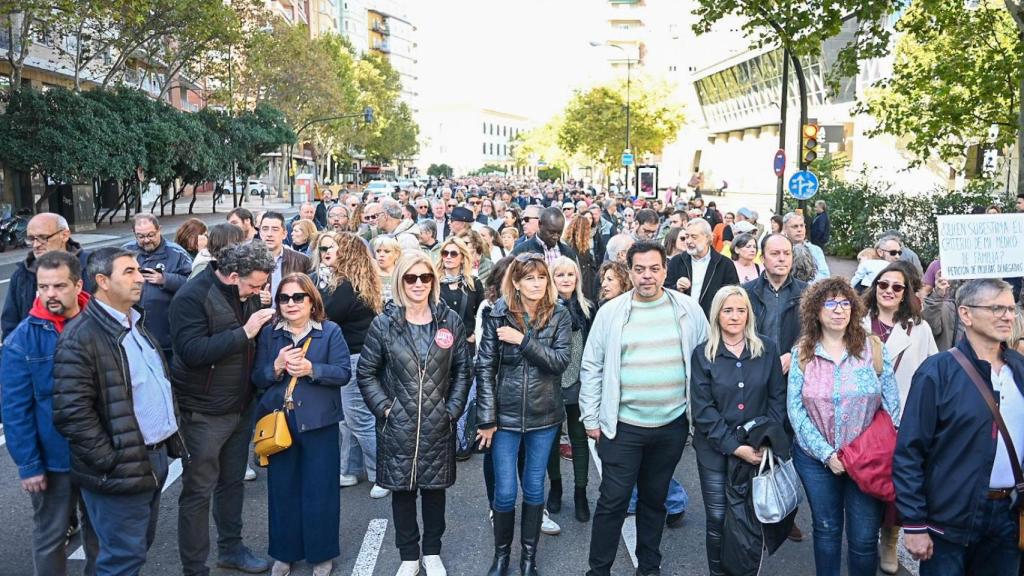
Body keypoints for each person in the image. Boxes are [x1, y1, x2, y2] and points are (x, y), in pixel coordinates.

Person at [53, 247, 187, 576]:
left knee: (131, 552)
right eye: (128, 272)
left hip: (151, 460)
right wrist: (110, 460)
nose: (139, 277)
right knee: (122, 559)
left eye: (138, 271)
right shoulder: (82, 336)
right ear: (102, 281)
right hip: (120, 467)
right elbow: (71, 412)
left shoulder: (134, 322)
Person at [579, 241, 709, 576]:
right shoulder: (612, 312)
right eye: (640, 269)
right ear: (630, 272)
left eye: (654, 269)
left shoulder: (687, 309)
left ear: (665, 270)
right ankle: (599, 569)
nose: (647, 276)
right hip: (623, 426)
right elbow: (591, 365)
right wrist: (591, 417)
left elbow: (705, 359)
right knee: (613, 500)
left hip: (671, 426)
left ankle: (649, 566)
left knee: (654, 500)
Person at [895, 279, 1024, 575]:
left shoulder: (1019, 369)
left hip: (1008, 517)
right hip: (949, 520)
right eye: (996, 308)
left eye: (1010, 308)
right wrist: (914, 524)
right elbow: (909, 452)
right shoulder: (937, 371)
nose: (1008, 315)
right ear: (965, 314)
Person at [358, 252, 472, 576]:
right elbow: (366, 372)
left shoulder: (450, 321)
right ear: (400, 282)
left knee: (435, 494)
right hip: (398, 426)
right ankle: (409, 555)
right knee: (403, 493)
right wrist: (385, 409)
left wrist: (452, 412)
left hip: (438, 425)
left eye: (425, 277)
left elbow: (464, 370)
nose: (418, 284)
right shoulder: (384, 324)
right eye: (411, 277)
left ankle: (432, 552)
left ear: (433, 281)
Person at [168, 242, 277, 576]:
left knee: (232, 484)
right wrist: (246, 331)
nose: (259, 292)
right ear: (232, 276)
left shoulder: (243, 293)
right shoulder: (191, 297)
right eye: (255, 285)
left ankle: (232, 550)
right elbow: (191, 352)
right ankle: (195, 567)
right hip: (202, 412)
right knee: (198, 492)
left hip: (240, 405)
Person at [788, 278, 900, 576]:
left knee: (864, 539)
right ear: (816, 310)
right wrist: (827, 455)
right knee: (826, 529)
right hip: (816, 460)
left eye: (845, 303)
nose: (839, 310)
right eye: (830, 303)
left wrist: (880, 451)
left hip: (866, 461)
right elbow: (796, 412)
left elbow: (891, 407)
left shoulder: (872, 349)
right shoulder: (803, 352)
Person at [475, 254, 572, 576]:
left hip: (544, 416)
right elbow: (485, 368)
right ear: (515, 282)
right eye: (529, 278)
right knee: (504, 492)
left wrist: (523, 341)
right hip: (505, 418)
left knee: (533, 487)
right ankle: (501, 557)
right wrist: (486, 419)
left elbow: (559, 362)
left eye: (541, 277)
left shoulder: (560, 315)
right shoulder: (496, 314)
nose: (536, 284)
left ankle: (528, 560)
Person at [2, 251, 97, 575]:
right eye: (43, 287)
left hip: (99, 455)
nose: (50, 294)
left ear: (78, 284)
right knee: (50, 536)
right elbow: (15, 411)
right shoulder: (22, 341)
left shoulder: (100, 322)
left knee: (100, 536)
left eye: (58, 286)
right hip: (53, 461)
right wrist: (29, 465)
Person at [252, 274, 350, 576]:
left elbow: (343, 372)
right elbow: (257, 377)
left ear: (311, 301)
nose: (291, 303)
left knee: (320, 491)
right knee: (282, 490)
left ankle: (321, 554)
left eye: (298, 297)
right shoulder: (270, 334)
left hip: (320, 423)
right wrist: (276, 367)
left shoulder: (330, 331)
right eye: (284, 298)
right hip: (281, 422)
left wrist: (312, 369)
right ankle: (285, 553)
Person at [690, 285, 787, 576]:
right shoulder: (703, 354)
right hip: (716, 451)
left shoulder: (767, 349)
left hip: (757, 450)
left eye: (740, 310)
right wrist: (735, 447)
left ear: (749, 314)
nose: (734, 316)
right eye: (727, 310)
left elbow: (776, 398)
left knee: (748, 519)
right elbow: (703, 410)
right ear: (716, 314)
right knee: (718, 518)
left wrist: (765, 439)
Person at [860, 261, 938, 574]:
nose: (889, 291)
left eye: (897, 287)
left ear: (906, 292)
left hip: (903, 416)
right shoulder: (857, 321)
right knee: (866, 476)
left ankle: (889, 539)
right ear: (874, 287)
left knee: (897, 479)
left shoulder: (918, 328)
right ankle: (863, 534)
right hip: (863, 416)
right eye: (883, 284)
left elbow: (933, 369)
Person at [312, 233, 387, 495]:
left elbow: (324, 313)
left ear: (347, 253)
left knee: (359, 419)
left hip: (355, 357)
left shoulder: (345, 286)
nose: (327, 251)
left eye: (334, 248)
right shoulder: (354, 281)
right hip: (356, 355)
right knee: (348, 418)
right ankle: (350, 469)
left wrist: (320, 286)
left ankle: (383, 474)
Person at [546, 256, 594, 523]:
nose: (565, 279)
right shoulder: (545, 308)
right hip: (551, 382)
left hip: (580, 382)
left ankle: (580, 492)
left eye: (570, 275)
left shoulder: (588, 308)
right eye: (559, 275)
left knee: (578, 438)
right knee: (551, 440)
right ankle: (555, 486)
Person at [2, 212, 91, 339]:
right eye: (31, 239)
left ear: (65, 235)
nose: (36, 245)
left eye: (43, 237)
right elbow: (10, 325)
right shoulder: (21, 275)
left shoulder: (93, 267)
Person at [122, 214, 193, 362]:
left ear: (159, 230)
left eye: (150, 235)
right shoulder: (125, 252)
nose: (146, 240)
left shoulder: (176, 253)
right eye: (140, 236)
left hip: (166, 333)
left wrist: (166, 279)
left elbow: (193, 283)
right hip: (133, 331)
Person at [665, 218, 740, 319]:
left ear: (708, 238)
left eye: (694, 237)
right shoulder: (677, 261)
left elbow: (733, 296)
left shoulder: (724, 264)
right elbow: (664, 291)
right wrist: (676, 287)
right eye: (687, 236)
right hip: (682, 320)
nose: (688, 241)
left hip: (712, 322)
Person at [436, 237, 485, 352]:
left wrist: (474, 335)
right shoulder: (433, 283)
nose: (448, 257)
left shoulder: (474, 283)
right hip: (439, 344)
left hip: (466, 344)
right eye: (445, 253)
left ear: (462, 258)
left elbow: (483, 313)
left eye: (453, 254)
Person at [260, 211, 312, 296]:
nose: (269, 234)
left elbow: (310, 295)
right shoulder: (248, 261)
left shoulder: (302, 261)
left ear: (284, 234)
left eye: (275, 230)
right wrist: (257, 301)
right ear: (260, 233)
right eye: (265, 229)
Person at [511, 207, 580, 269]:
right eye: (551, 232)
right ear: (540, 224)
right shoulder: (521, 251)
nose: (555, 236)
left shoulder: (568, 253)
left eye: (559, 232)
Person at [782, 212, 829, 281]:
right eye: (795, 226)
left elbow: (824, 276)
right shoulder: (780, 250)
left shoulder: (816, 250)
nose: (799, 230)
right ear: (785, 229)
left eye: (802, 226)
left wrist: (804, 286)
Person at [374, 236, 402, 305]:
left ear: (397, 254)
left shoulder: (402, 274)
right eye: (378, 251)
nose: (381, 255)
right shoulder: (369, 275)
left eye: (386, 251)